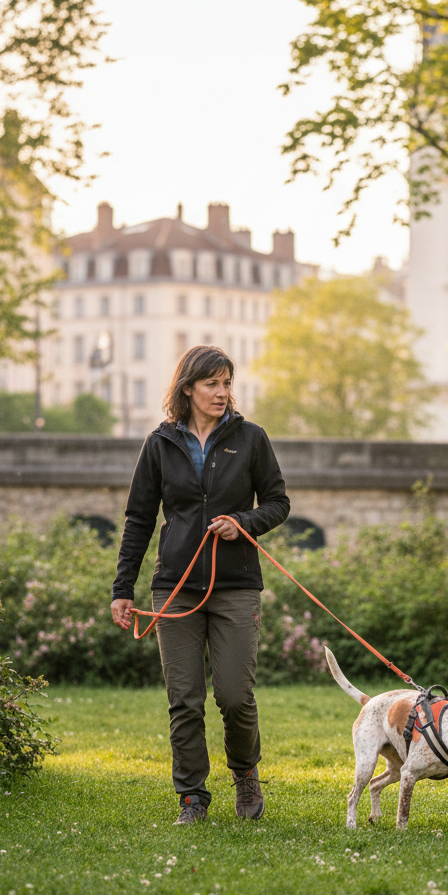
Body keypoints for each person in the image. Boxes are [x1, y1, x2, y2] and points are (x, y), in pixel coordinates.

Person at [110, 345, 290, 824]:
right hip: (174, 587)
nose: (222, 392)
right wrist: (122, 588)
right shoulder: (159, 443)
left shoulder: (251, 438)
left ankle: (245, 775)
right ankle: (192, 796)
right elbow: (138, 519)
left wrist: (243, 523)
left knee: (234, 695)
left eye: (227, 383)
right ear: (187, 387)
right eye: (212, 383)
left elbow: (278, 502)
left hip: (236, 586)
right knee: (184, 700)